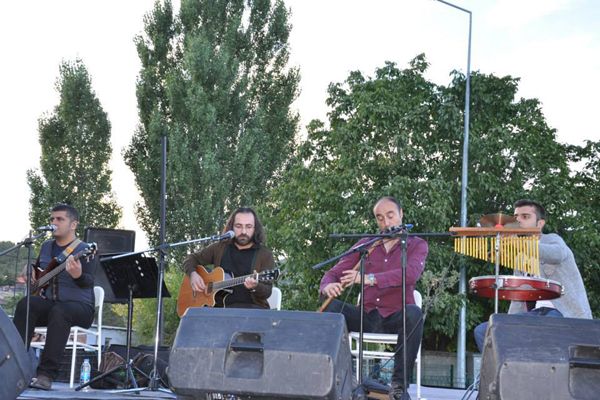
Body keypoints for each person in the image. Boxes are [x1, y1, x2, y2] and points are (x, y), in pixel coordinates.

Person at [320, 196, 428, 400]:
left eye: (390, 216)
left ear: (401, 214)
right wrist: (328, 286)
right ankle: (344, 379)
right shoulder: (366, 245)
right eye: (380, 218)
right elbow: (333, 272)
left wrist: (368, 279)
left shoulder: (416, 244)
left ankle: (398, 387)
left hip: (396, 317)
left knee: (414, 313)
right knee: (330, 307)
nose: (386, 223)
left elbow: (410, 274)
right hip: (366, 316)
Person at [474, 199, 592, 352]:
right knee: (484, 331)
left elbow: (557, 254)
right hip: (537, 315)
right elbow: (517, 299)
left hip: (564, 316)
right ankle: (503, 372)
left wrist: (520, 244)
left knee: (543, 326)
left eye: (525, 217)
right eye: (515, 217)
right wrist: (505, 325)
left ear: (540, 223)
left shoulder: (553, 240)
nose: (518, 221)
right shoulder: (519, 258)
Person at [13, 204, 96, 390]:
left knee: (60, 311)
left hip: (80, 308)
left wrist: (78, 276)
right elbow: (39, 272)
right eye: (52, 219)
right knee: (26, 304)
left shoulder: (85, 249)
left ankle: (45, 375)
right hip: (52, 304)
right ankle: (14, 365)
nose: (54, 222)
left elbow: (89, 282)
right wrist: (30, 271)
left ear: (73, 224)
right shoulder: (46, 247)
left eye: (60, 219)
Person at [183, 207, 274, 309]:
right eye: (238, 226)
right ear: (232, 227)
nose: (243, 231)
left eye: (248, 227)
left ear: (255, 228)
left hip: (250, 311)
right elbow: (190, 259)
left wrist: (256, 286)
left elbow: (267, 291)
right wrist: (193, 274)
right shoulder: (219, 247)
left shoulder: (265, 255)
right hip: (217, 309)